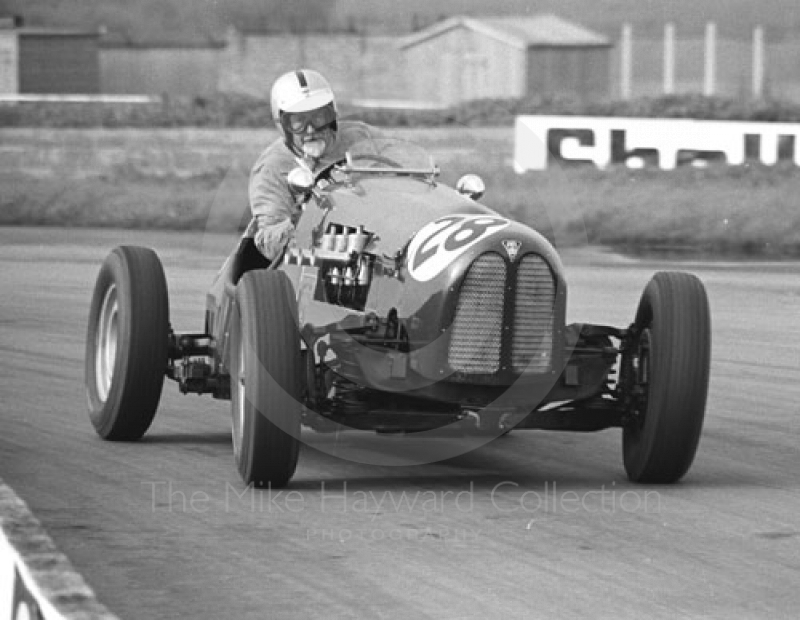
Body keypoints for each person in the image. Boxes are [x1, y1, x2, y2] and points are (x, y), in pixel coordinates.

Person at [246, 69, 378, 263]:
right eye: (298, 121)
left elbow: (404, 170)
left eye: (319, 117)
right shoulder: (272, 167)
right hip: (320, 260)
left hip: (378, 233)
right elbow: (268, 243)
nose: (310, 130)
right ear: (282, 125)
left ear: (332, 115)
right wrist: (300, 219)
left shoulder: (363, 136)